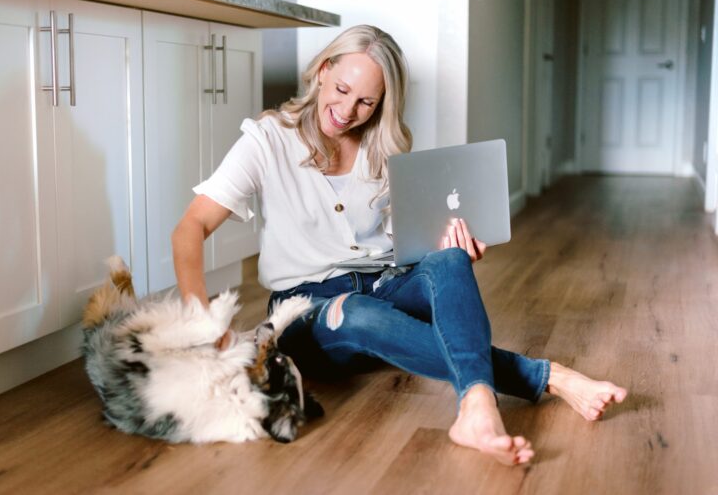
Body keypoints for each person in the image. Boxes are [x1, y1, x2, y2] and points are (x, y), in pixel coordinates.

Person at [172, 25, 627, 465]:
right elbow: (190, 228)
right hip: (306, 309)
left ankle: (476, 407)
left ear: (382, 103)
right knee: (358, 312)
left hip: (387, 285)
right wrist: (205, 323)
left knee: (448, 259)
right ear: (323, 70)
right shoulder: (268, 139)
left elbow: (404, 246)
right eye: (342, 89)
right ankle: (547, 377)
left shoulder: (384, 147)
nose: (347, 110)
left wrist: (452, 252)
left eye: (366, 101)